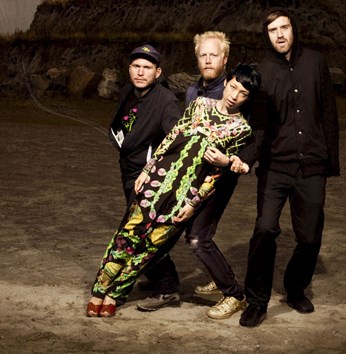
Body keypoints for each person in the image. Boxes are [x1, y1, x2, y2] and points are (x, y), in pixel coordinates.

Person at [86, 63, 260, 318]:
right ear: (226, 83)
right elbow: (171, 137)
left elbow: (216, 174)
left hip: (186, 194)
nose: (235, 95)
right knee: (127, 235)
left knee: (151, 247)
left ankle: (115, 293)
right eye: (233, 87)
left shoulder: (241, 129)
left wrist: (193, 203)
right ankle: (99, 290)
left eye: (243, 93)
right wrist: (147, 169)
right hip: (159, 179)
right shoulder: (200, 104)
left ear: (248, 98)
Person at [236, 9, 340, 327]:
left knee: (309, 236)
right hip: (275, 168)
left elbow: (328, 112)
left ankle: (295, 289)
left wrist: (330, 161)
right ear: (266, 36)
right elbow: (259, 126)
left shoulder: (316, 62)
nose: (280, 34)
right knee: (265, 228)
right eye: (273, 30)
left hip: (312, 166)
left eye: (284, 27)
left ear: (294, 29)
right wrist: (247, 158)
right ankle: (257, 301)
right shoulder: (263, 73)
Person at [136, 31, 250, 319]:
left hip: (217, 177)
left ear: (225, 59)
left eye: (214, 55)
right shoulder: (193, 93)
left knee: (198, 236)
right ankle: (216, 277)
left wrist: (234, 162)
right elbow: (182, 134)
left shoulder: (236, 90)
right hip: (190, 175)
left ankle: (232, 293)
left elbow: (248, 135)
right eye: (203, 55)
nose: (208, 60)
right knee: (190, 232)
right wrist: (156, 169)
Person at [108, 44, 182, 301]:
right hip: (127, 169)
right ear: (129, 69)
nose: (140, 72)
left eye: (147, 67)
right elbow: (123, 123)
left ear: (157, 72)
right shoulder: (127, 92)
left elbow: (176, 142)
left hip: (148, 176)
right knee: (141, 229)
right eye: (136, 66)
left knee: (135, 230)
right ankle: (161, 277)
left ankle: (165, 286)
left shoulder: (166, 102)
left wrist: (153, 169)